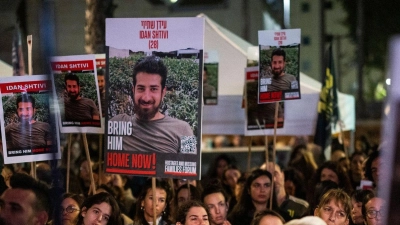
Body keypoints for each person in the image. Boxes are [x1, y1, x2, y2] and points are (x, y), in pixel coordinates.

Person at [109, 56, 195, 153]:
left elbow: (192, 166)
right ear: (133, 91)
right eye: (141, 88)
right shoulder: (116, 124)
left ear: (163, 93)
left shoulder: (185, 130)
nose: (146, 98)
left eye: (153, 89)